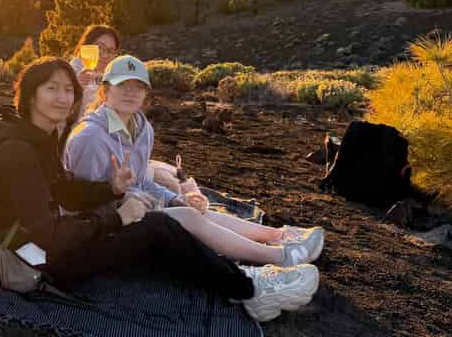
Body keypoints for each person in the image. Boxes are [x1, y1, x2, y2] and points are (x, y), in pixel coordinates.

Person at [0, 57, 319, 323]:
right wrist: (114, 217)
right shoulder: (19, 150)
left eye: (68, 90)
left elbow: (62, 188)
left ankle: (240, 274)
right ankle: (251, 290)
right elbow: (46, 236)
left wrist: (109, 189)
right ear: (29, 94)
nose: (63, 98)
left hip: (42, 245)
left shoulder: (38, 138)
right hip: (38, 263)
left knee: (158, 228)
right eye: (51, 89)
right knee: (158, 229)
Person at [64, 55, 324, 269]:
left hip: (139, 208)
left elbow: (144, 182)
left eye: (138, 86)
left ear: (146, 93)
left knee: (194, 209)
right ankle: (280, 258)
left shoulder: (142, 129)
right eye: (123, 85)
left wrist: (176, 199)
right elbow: (83, 203)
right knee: (188, 217)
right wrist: (133, 204)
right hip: (109, 227)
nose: (131, 93)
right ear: (105, 89)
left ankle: (277, 236)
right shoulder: (91, 138)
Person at [69, 25, 120, 116]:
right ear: (87, 47)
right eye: (100, 47)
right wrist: (74, 87)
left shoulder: (114, 77)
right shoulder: (72, 72)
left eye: (111, 50)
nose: (105, 55)